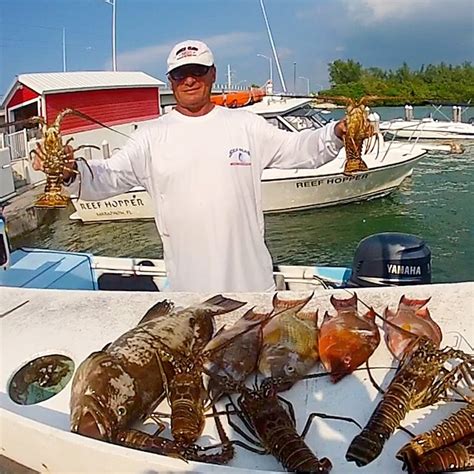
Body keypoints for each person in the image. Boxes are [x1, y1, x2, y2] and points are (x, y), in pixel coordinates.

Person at [33, 40, 346, 293]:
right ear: (171, 80)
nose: (190, 79)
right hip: (190, 295)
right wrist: (68, 172)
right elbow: (106, 178)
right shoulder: (150, 136)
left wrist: (336, 132)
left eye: (197, 70)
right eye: (180, 74)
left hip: (253, 288)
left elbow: (299, 150)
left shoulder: (247, 125)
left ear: (212, 73)